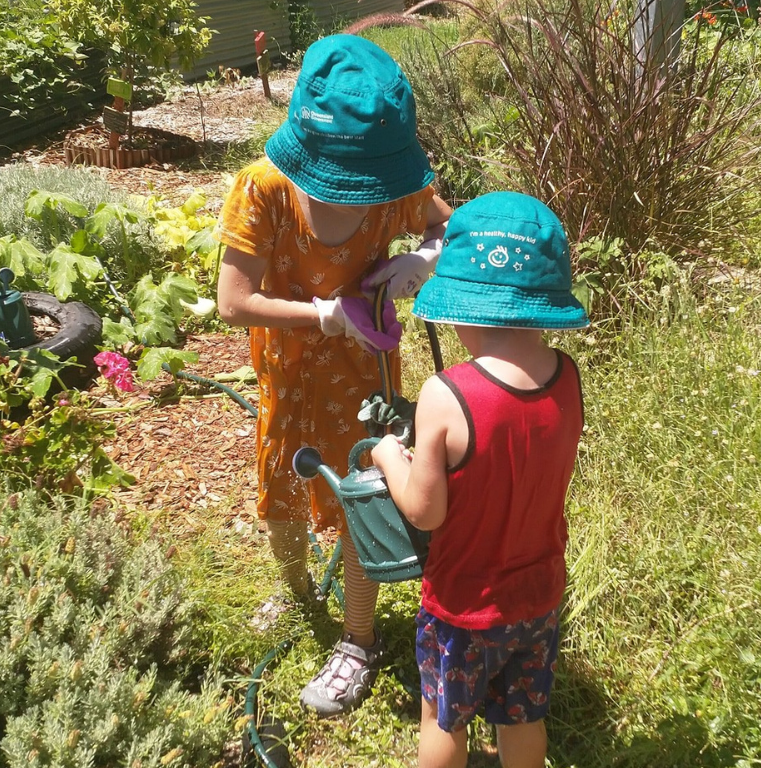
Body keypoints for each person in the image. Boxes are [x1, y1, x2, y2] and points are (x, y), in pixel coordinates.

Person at [215, 33, 452, 717]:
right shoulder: (263, 189)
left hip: (365, 371)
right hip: (287, 366)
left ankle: (358, 639)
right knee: (282, 485)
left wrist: (424, 258)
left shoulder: (393, 188)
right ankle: (295, 591)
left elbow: (447, 226)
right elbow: (234, 301)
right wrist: (321, 315)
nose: (358, 195)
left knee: (360, 495)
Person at [371, 191, 589, 768]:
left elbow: (425, 512)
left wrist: (390, 457)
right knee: (523, 719)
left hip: (464, 604)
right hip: (538, 594)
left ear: (462, 304)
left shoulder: (447, 394)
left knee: (444, 718)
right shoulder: (567, 377)